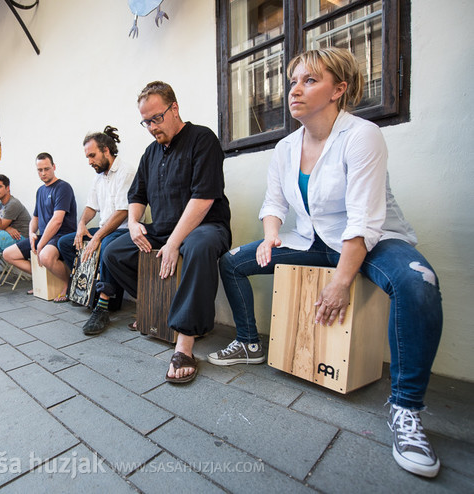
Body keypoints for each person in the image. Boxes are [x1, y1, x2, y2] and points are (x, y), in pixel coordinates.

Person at [209, 47, 443, 478]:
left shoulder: (362, 135)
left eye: (310, 80)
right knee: (233, 260)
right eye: (293, 80)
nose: (295, 89)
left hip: (371, 241)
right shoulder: (285, 146)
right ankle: (249, 343)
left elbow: (364, 220)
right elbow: (274, 201)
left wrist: (340, 281)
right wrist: (273, 232)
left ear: (339, 89)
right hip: (311, 239)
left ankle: (406, 409)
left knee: (418, 282)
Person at [103, 81, 232, 384]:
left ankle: (185, 344)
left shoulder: (202, 139)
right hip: (161, 230)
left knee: (198, 247)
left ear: (174, 108)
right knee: (113, 252)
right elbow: (137, 195)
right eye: (145, 121)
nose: (151, 127)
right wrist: (134, 224)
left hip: (206, 226)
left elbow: (204, 199)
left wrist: (175, 242)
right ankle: (155, 308)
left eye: (156, 119)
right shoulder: (150, 153)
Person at [58, 126, 136, 335]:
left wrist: (98, 237)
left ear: (106, 151)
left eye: (92, 155)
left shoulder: (126, 172)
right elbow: (91, 207)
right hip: (106, 228)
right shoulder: (99, 177)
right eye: (87, 157)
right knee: (66, 242)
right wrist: (81, 225)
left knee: (106, 244)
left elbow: (122, 212)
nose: (90, 161)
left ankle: (102, 308)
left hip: (126, 229)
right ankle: (92, 291)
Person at [3, 153, 77, 301]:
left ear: (54, 167)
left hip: (62, 235)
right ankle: (40, 279)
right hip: (44, 235)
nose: (43, 173)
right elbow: (35, 218)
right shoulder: (40, 190)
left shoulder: (63, 187)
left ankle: (69, 284)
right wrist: (31, 233)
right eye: (39, 170)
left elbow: (57, 221)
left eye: (46, 169)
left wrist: (41, 244)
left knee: (45, 255)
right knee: (8, 254)